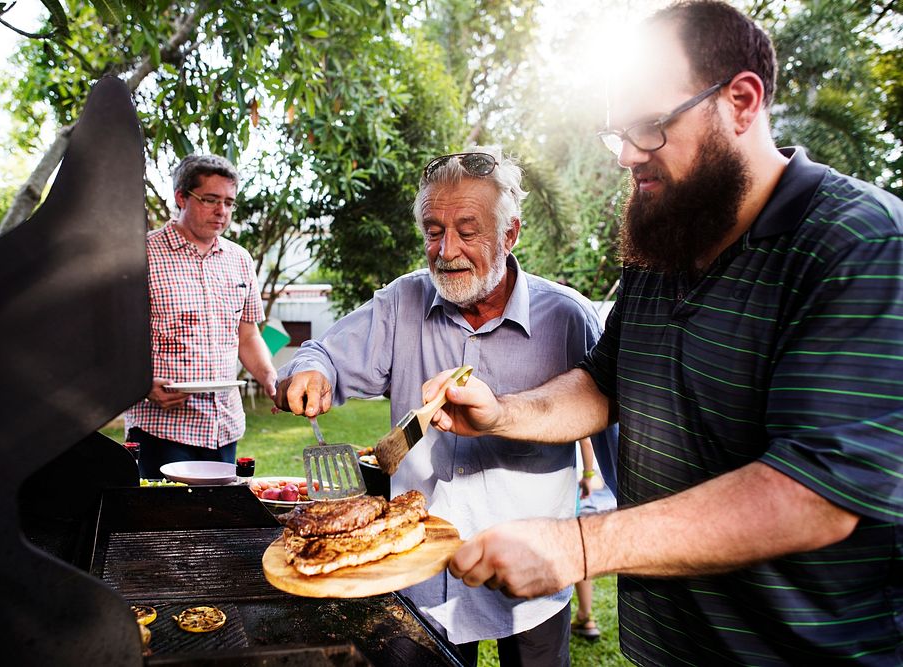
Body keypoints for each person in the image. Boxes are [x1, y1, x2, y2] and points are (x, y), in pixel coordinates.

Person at [424, 3, 903, 665]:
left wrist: (578, 546)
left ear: (741, 101)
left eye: (649, 127)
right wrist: (504, 413)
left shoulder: (859, 241)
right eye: (616, 132)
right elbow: (604, 383)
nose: (626, 155)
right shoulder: (664, 234)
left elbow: (816, 491)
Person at [274, 145, 617, 666]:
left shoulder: (568, 318)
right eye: (434, 231)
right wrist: (310, 370)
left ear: (511, 233)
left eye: (467, 229)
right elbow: (320, 352)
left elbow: (613, 426)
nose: (446, 249)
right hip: (419, 582)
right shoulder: (400, 303)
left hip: (529, 585)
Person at [125, 154, 277, 478]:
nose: (221, 211)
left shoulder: (240, 260)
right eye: (210, 200)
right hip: (162, 429)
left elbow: (248, 335)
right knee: (163, 525)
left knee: (217, 522)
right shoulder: (140, 257)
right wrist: (140, 384)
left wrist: (269, 379)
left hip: (224, 426)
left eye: (229, 202)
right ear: (181, 197)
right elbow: (112, 341)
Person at [570, 436, 600, 642]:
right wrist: (589, 475)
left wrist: (587, 476)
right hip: (583, 486)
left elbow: (586, 442)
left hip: (566, 484)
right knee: (581, 551)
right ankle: (586, 615)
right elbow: (587, 442)